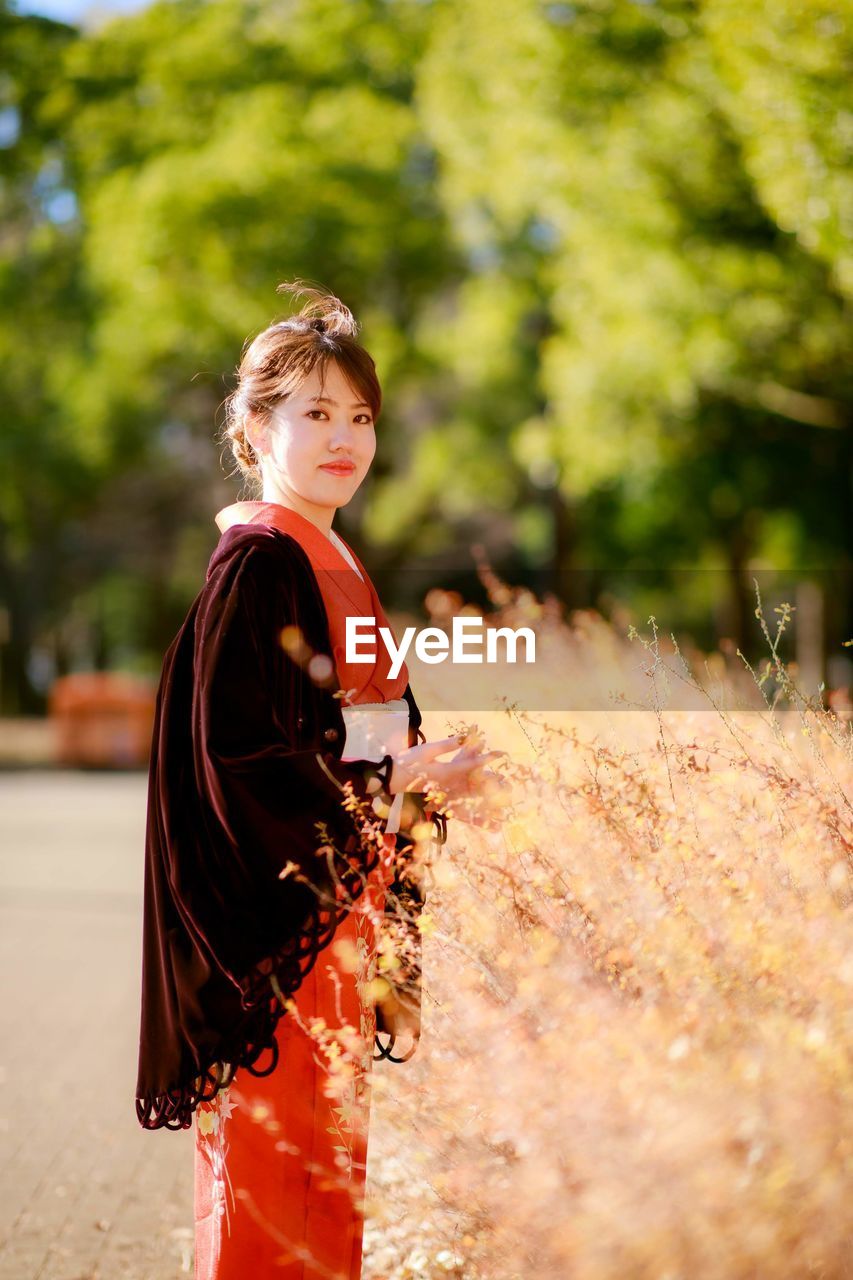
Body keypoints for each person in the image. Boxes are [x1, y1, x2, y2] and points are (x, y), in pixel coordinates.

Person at [135, 281, 502, 1279]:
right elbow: (239, 759)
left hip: (340, 928)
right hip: (279, 948)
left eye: (359, 417)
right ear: (253, 426)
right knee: (270, 1204)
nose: (343, 437)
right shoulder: (259, 563)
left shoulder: (328, 557)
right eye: (314, 413)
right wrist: (396, 774)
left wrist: (421, 793)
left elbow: (372, 743)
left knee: (322, 1198)